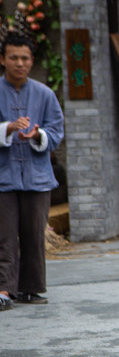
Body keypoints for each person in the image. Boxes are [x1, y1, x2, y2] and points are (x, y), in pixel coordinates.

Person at [0, 32, 64, 311]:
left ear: (32, 61)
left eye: (25, 58)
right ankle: (4, 289)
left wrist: (38, 135)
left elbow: (57, 131)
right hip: (4, 177)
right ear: (3, 59)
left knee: (34, 236)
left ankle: (31, 288)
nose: (20, 63)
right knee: (4, 235)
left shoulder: (45, 94)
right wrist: (7, 129)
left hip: (37, 178)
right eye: (13, 57)